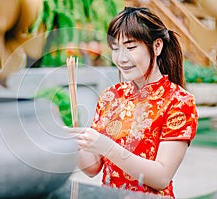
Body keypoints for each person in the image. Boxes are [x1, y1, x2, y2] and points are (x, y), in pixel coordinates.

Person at [67, 7, 198, 198]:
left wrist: (108, 147)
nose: (121, 58)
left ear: (157, 46)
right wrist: (71, 142)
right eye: (115, 49)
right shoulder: (110, 96)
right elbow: (93, 167)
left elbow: (161, 177)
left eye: (130, 47)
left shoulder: (179, 101)